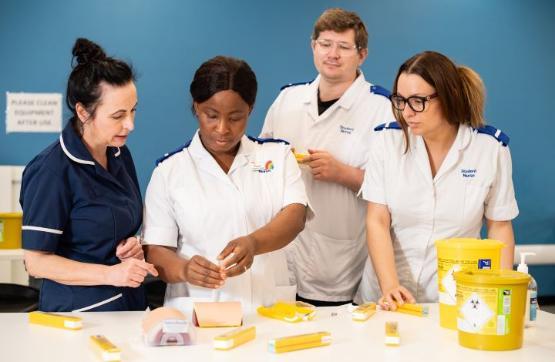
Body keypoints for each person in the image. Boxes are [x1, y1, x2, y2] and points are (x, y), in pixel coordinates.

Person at [142, 56, 308, 314]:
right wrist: (184, 269)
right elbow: (156, 250)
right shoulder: (169, 172)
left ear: (250, 110)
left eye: (235, 117)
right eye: (211, 115)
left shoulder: (278, 156)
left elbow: (295, 217)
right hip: (198, 311)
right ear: (196, 107)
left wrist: (254, 243)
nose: (222, 128)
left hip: (268, 310)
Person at [356, 51, 518, 309]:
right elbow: (377, 219)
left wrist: (501, 295)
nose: (407, 112)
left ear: (449, 96)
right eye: (400, 100)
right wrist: (390, 286)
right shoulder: (387, 142)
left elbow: (499, 226)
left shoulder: (490, 149)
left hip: (458, 297)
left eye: (418, 101)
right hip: (387, 296)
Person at [260, 8, 394, 306]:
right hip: (282, 253)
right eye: (325, 44)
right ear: (313, 46)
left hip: (339, 261)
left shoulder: (381, 109)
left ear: (362, 55)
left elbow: (396, 190)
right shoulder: (287, 99)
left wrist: (342, 173)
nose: (332, 54)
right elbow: (260, 164)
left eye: (344, 47)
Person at [20, 38, 157, 312]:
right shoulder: (52, 169)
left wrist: (132, 245)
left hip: (127, 308)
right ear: (83, 111)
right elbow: (35, 262)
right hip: (77, 316)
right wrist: (109, 274)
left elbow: (115, 228)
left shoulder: (118, 154)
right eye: (118, 115)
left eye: (133, 111)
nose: (130, 124)